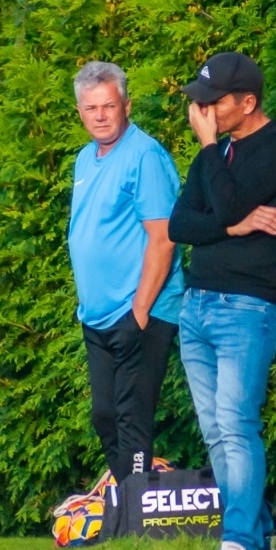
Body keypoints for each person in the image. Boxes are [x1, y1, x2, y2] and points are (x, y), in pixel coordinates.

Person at [168, 51, 276, 550]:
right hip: (198, 305)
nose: (202, 109)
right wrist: (233, 226)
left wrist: (210, 158)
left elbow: (220, 206)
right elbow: (182, 223)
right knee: (215, 432)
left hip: (247, 307)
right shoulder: (217, 156)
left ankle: (238, 547)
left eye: (213, 101)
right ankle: (260, 539)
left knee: (236, 424)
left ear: (247, 103)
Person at [67, 61, 185, 482]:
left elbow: (163, 237)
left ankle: (133, 521)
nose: (99, 115)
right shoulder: (85, 159)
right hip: (97, 316)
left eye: (108, 105)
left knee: (131, 418)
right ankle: (125, 506)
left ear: (126, 105)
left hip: (141, 310)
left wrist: (139, 311)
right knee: (104, 416)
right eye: (90, 107)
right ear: (80, 111)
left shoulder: (145, 155)